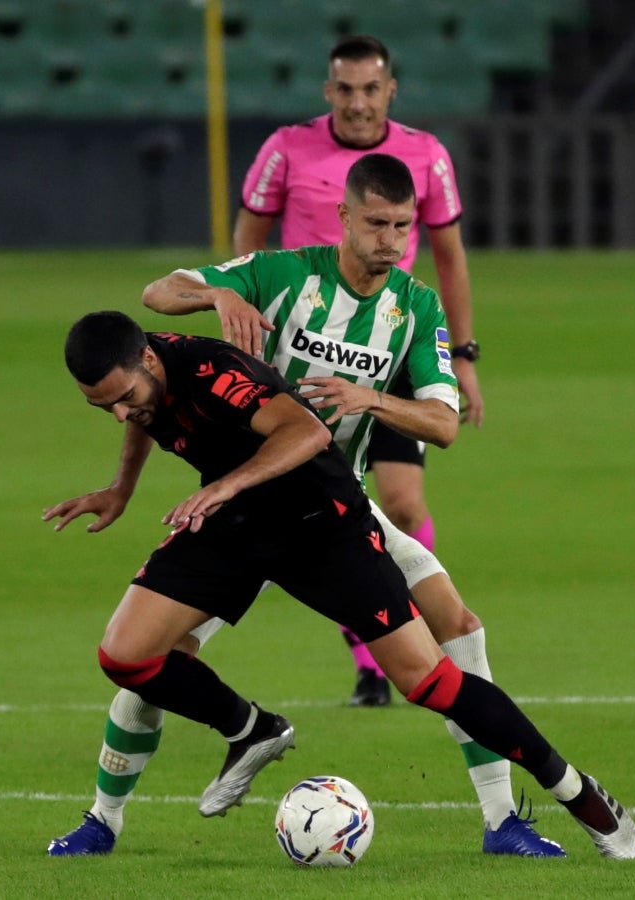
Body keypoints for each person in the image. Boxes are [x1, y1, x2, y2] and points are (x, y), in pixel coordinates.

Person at [46, 154, 560, 858]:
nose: (391, 238)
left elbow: (442, 425)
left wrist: (376, 400)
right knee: (156, 659)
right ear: (344, 217)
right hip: (242, 505)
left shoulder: (415, 307)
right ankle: (103, 820)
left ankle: (503, 822)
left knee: (458, 627)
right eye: (377, 222)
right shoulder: (278, 273)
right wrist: (214, 295)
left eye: (402, 227)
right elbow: (159, 295)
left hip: (333, 506)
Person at [46, 309, 635, 864]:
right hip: (235, 525)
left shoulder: (214, 373)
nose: (122, 414)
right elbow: (151, 415)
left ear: (148, 361)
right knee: (124, 654)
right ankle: (252, 729)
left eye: (123, 398)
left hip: (320, 524)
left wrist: (226, 485)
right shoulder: (144, 384)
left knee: (428, 679)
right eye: (106, 408)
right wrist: (122, 488)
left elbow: (306, 433)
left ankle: (574, 789)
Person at [233, 34, 484, 709]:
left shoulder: (425, 155)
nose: (357, 102)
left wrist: (461, 357)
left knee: (399, 503)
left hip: (390, 349)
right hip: (303, 350)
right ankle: (373, 659)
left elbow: (451, 257)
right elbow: (248, 241)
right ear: (327, 92)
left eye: (370, 88)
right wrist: (245, 322)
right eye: (344, 89)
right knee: (314, 503)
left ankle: (412, 637)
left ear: (390, 91)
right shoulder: (287, 147)